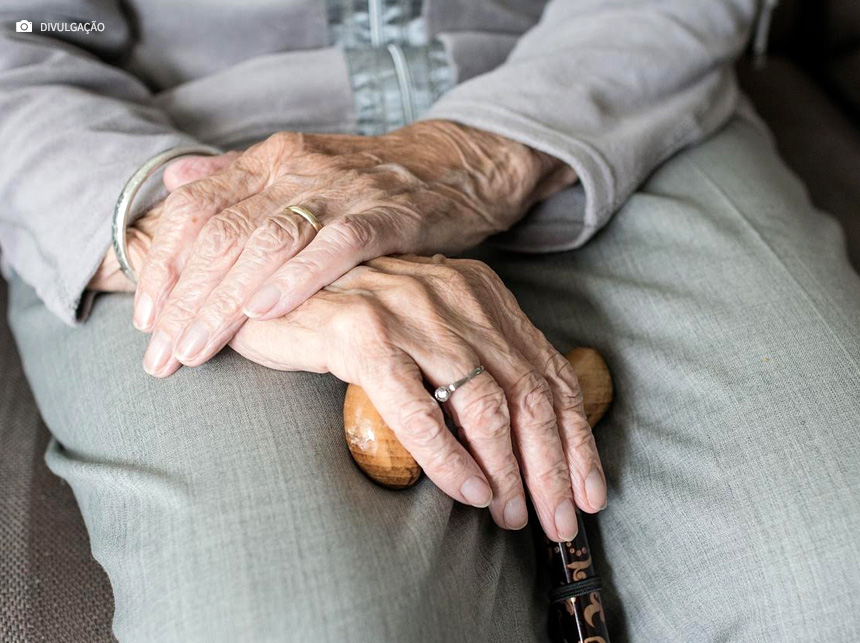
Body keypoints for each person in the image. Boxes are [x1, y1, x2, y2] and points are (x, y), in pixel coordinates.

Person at [2, 1, 858, 641]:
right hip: (176, 152)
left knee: (832, 574)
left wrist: (469, 156)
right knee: (295, 623)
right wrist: (190, 234)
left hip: (602, 91)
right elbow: (30, 30)